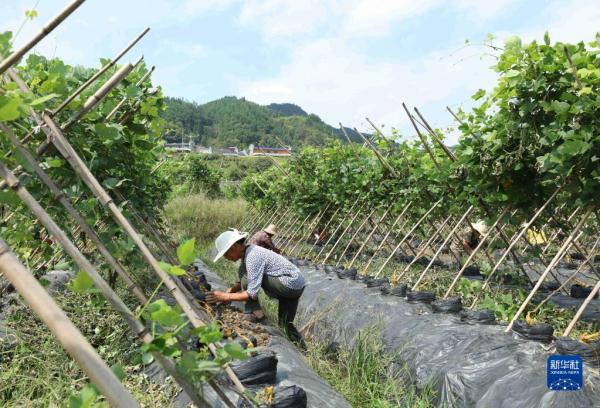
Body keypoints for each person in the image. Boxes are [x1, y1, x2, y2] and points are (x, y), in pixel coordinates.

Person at [207, 229, 306, 347]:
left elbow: (251, 293)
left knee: (243, 270)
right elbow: (250, 278)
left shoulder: (252, 256)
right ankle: (302, 349)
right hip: (296, 285)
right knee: (285, 324)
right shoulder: (250, 251)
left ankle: (255, 312)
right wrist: (232, 290)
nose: (226, 258)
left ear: (234, 247)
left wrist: (225, 296)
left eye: (226, 254)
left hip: (288, 283)